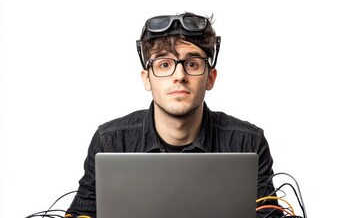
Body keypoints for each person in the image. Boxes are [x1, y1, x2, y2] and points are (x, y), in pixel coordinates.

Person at [65, 12, 283, 218]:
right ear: (147, 79)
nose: (179, 75)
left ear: (210, 78)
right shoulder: (110, 141)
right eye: (164, 64)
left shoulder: (248, 142)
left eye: (192, 64)